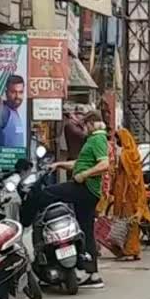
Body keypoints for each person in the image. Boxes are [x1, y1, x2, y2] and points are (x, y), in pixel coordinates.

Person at [44, 111, 109, 288]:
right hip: (87, 189)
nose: (84, 129)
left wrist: (84, 175)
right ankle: (92, 274)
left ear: (92, 123)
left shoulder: (97, 139)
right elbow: (79, 162)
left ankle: (28, 220)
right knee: (85, 230)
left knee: (48, 193)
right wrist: (58, 164)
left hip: (85, 188)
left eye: (85, 125)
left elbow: (104, 164)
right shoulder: (94, 139)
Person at [106, 128, 150, 261]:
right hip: (135, 191)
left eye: (118, 139)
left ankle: (128, 250)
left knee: (125, 220)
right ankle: (134, 250)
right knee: (133, 221)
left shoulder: (124, 154)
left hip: (125, 192)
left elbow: (120, 171)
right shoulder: (134, 153)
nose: (117, 141)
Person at [0, 75, 26, 148]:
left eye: (20, 92)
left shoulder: (15, 112)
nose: (17, 96)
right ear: (6, 92)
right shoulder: (5, 111)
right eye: (13, 92)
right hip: (6, 158)